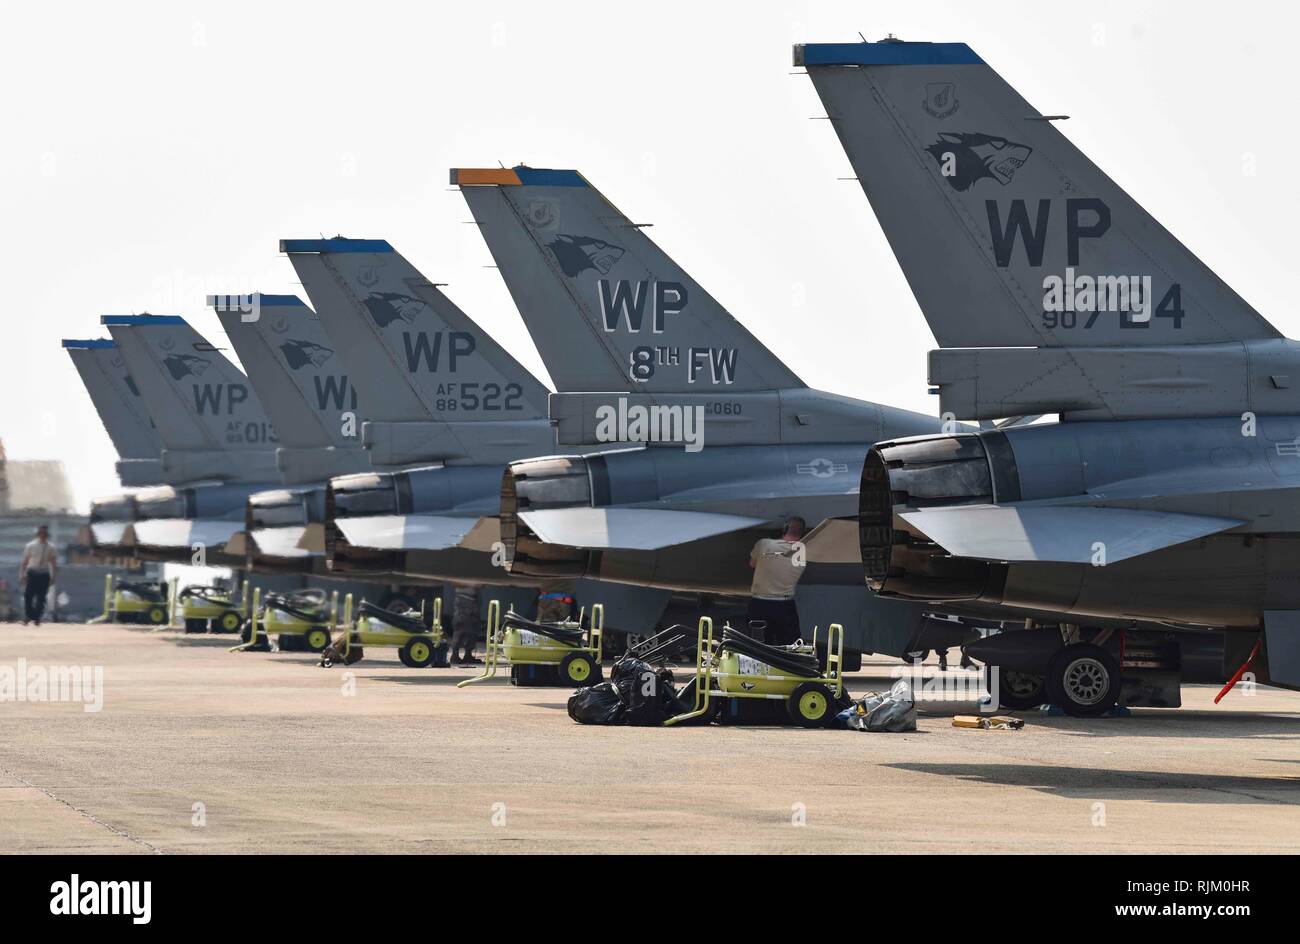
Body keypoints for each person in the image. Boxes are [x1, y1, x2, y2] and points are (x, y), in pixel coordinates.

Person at [746, 516, 806, 646]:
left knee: (758, 646)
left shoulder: (763, 544)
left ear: (784, 528)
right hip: (784, 606)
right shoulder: (802, 551)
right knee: (789, 647)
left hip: (760, 604)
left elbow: (753, 563)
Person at [19, 525, 58, 626]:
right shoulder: (31, 546)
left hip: (44, 574)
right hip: (32, 572)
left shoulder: (51, 547)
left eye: (44, 533)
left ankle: (37, 618)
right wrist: (22, 574)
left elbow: (53, 563)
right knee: (28, 596)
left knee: (41, 598)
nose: (42, 535)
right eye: (40, 533)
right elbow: (25, 561)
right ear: (38, 534)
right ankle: (28, 616)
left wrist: (53, 577)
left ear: (47, 535)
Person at [450, 585, 482, 665]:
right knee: (460, 627)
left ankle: (468, 654)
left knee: (472, 628)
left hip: (471, 598)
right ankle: (455, 655)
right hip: (464, 598)